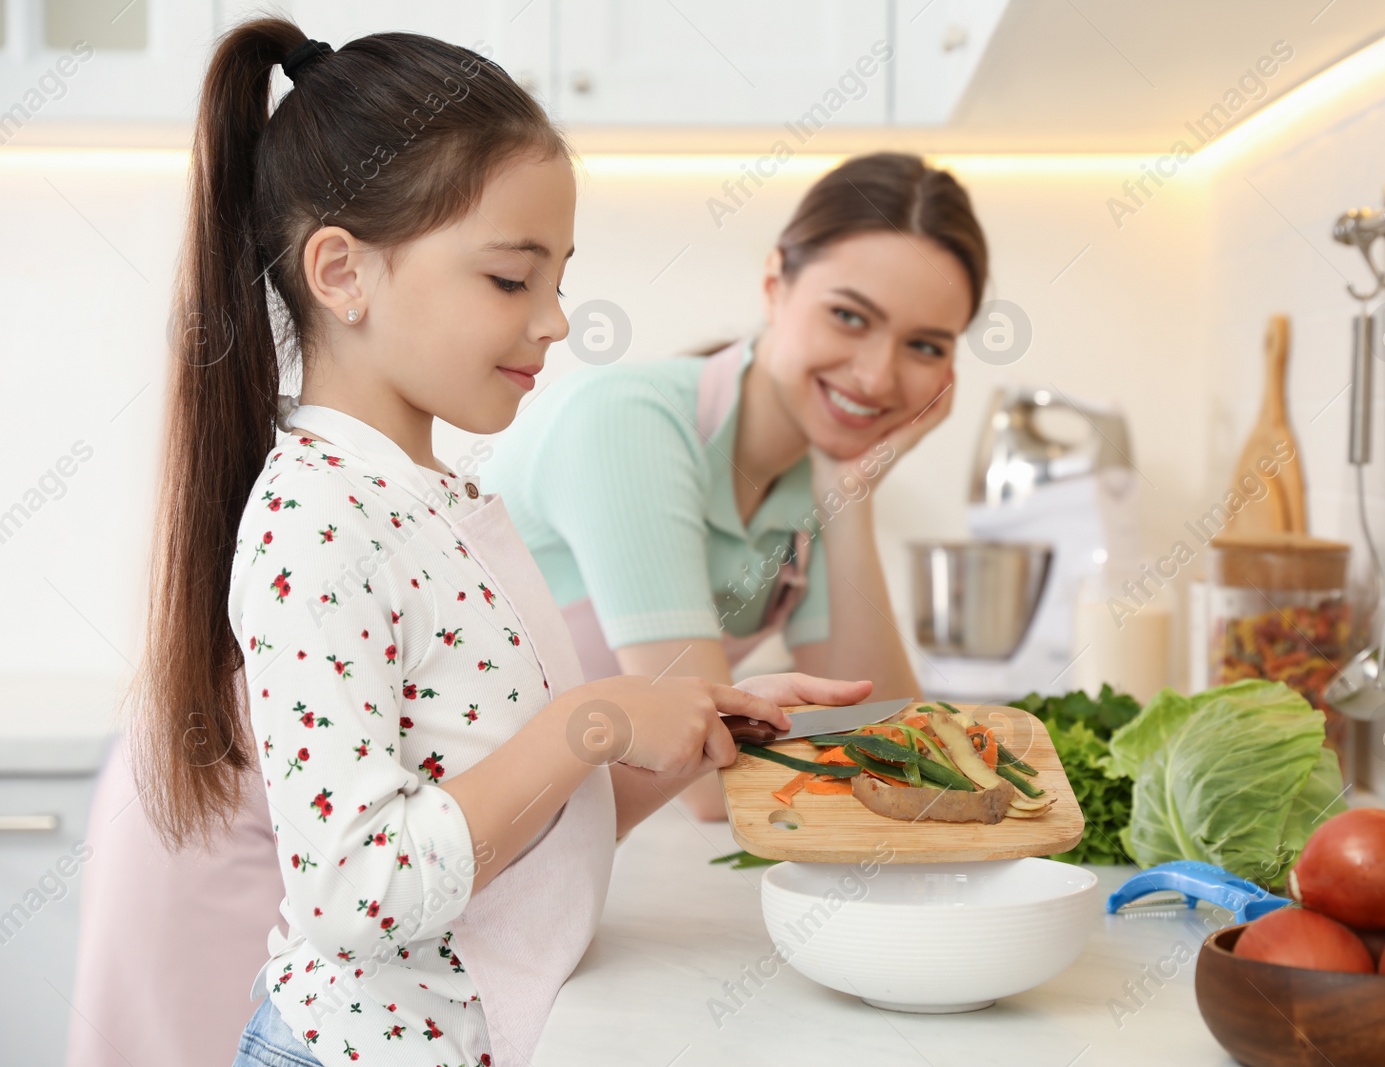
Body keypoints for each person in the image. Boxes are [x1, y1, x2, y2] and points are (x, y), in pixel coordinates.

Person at [68, 20, 869, 1067]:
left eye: (557, 280)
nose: (553, 322)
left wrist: (689, 733)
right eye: (509, 280)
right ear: (341, 273)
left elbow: (519, 837)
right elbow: (360, 886)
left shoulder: (436, 495)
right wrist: (587, 718)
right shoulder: (318, 521)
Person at [483, 152, 988, 818]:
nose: (876, 377)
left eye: (925, 345)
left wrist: (850, 497)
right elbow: (702, 778)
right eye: (850, 317)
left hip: (593, 838)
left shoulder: (816, 470)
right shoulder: (627, 425)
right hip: (477, 849)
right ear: (776, 283)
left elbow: (896, 746)